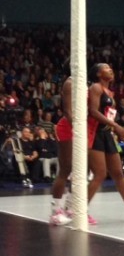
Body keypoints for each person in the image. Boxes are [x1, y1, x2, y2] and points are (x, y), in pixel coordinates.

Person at [88, 63, 124, 224]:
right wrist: (116, 126)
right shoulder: (96, 88)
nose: (110, 69)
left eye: (111, 67)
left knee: (118, 173)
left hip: (106, 134)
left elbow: (108, 115)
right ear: (98, 74)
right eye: (105, 68)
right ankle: (80, 210)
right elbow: (93, 111)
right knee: (99, 174)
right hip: (95, 133)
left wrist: (115, 128)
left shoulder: (109, 92)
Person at [49, 68, 73, 226]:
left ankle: (70, 206)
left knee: (80, 170)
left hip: (81, 128)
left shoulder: (84, 84)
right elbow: (68, 110)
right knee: (65, 169)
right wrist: (77, 127)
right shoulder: (70, 83)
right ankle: (56, 210)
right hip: (68, 127)